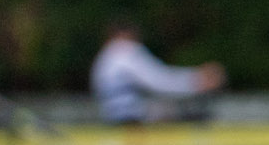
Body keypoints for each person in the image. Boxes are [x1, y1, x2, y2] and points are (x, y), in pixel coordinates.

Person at [91, 20, 225, 123]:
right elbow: (159, 81)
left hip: (114, 115)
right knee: (193, 112)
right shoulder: (124, 50)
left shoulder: (106, 55)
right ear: (126, 34)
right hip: (129, 118)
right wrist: (198, 80)